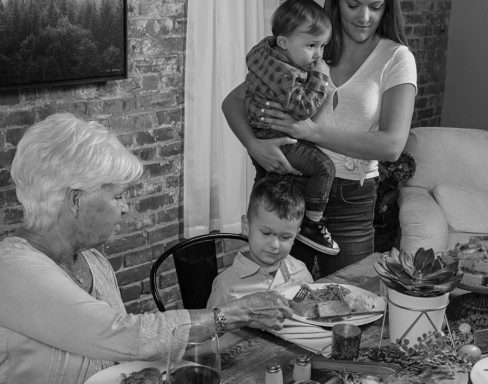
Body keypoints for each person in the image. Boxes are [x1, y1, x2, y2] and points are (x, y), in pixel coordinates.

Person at [0, 113, 292, 384]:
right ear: (76, 199)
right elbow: (125, 336)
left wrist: (244, 327)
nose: (126, 209)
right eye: (119, 196)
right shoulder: (12, 271)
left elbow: (132, 354)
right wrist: (234, 313)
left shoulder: (94, 262)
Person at [222, 0, 417, 276]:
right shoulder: (309, 42)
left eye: (375, 6)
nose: (364, 16)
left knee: (351, 303)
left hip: (350, 200)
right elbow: (232, 102)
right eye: (352, 4)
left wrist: (312, 132)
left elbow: (392, 146)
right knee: (274, 298)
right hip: (284, 186)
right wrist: (253, 145)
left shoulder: (396, 57)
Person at [245, 0, 339, 255]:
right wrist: (320, 77)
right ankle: (312, 223)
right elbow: (302, 109)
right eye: (311, 46)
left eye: (322, 45)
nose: (318, 54)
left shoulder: (265, 52)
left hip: (263, 134)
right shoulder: (287, 73)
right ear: (284, 42)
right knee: (324, 168)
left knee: (272, 189)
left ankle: (263, 223)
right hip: (276, 137)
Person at [207, 178, 314, 308]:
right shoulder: (226, 286)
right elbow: (213, 326)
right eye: (266, 233)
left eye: (285, 237)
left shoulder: (301, 273)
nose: (275, 245)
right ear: (246, 226)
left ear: (296, 235)